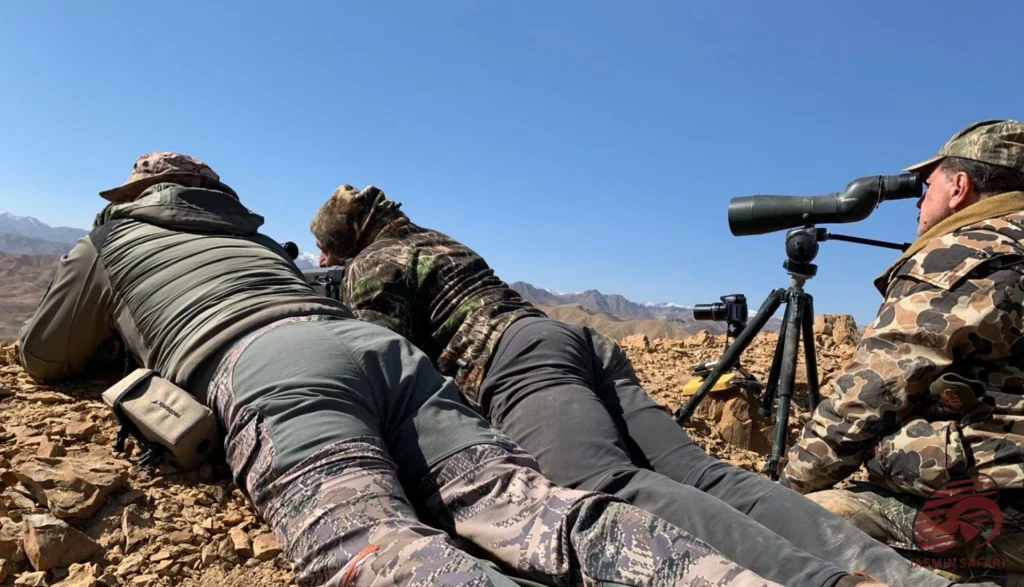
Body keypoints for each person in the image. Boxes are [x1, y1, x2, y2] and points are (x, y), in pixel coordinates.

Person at [18, 152, 786, 587]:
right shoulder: (254, 241)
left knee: (375, 545)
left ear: (137, 194)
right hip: (381, 353)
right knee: (533, 505)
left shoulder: (111, 237)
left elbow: (45, 351)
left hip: (274, 371)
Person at [308, 182, 972, 587]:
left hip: (518, 361)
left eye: (327, 255)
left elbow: (383, 362)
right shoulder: (431, 239)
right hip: (573, 343)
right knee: (702, 474)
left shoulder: (375, 263)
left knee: (603, 483)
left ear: (342, 245)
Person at [780, 119, 1024, 581]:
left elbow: (865, 400)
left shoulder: (964, 253)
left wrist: (781, 492)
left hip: (998, 519)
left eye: (927, 186)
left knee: (794, 525)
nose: (917, 202)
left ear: (959, 187)